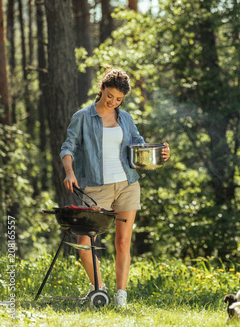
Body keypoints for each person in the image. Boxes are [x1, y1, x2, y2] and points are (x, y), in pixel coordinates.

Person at [60, 66, 170, 307]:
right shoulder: (83, 117)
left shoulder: (126, 119)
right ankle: (99, 288)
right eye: (109, 96)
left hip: (127, 184)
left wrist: (160, 154)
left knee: (123, 242)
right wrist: (69, 171)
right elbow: (68, 147)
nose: (113, 102)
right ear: (101, 89)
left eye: (119, 99)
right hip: (96, 187)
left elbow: (139, 147)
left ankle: (121, 296)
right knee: (84, 242)